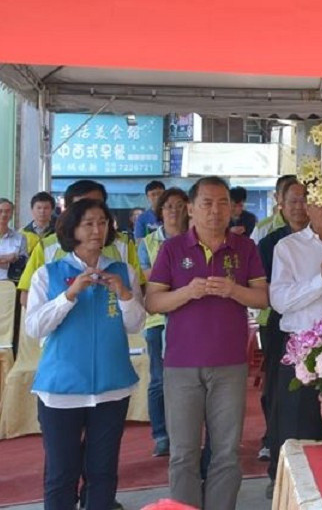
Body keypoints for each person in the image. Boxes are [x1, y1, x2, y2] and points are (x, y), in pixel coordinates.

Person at [145, 177, 268, 510]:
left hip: (230, 364)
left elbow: (263, 297)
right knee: (183, 452)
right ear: (191, 208)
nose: (216, 211)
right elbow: (152, 302)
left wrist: (233, 290)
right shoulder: (172, 248)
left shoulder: (245, 247)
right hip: (181, 365)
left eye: (223, 203)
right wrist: (187, 292)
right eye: (207, 203)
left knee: (226, 452)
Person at [27, 198, 145, 510]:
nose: (97, 230)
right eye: (88, 223)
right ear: (72, 229)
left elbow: (136, 324)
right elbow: (34, 327)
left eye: (102, 223)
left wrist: (124, 294)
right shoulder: (47, 273)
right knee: (61, 474)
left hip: (112, 387)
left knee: (103, 472)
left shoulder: (123, 272)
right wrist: (68, 296)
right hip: (60, 389)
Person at [266, 176, 322, 486]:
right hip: (303, 351)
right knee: (298, 432)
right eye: (320, 201)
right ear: (307, 206)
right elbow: (280, 301)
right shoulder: (288, 247)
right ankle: (295, 494)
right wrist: (320, 280)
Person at [19, 180, 143, 302]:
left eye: (96, 205)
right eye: (82, 207)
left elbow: (140, 290)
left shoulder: (124, 244)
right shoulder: (46, 246)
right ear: (68, 213)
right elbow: (27, 296)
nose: (91, 211)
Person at [255, 177, 307, 462]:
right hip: (278, 324)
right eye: (293, 201)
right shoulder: (271, 242)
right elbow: (265, 287)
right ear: (281, 206)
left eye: (304, 200)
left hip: (317, 328)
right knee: (277, 386)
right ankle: (273, 443)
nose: (299, 207)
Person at [137, 187, 189, 458]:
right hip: (157, 318)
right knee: (159, 379)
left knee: (188, 380)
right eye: (169, 206)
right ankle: (160, 434)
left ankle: (185, 434)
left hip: (190, 316)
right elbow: (151, 279)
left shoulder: (197, 238)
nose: (174, 211)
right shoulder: (147, 243)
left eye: (180, 205)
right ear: (160, 211)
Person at [0, 197, 26, 281]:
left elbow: (22, 264)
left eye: (7, 211)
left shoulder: (20, 238)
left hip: (10, 284)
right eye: (0, 211)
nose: (4, 214)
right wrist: (6, 258)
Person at [251, 175, 296, 243]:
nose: (293, 199)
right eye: (286, 194)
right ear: (276, 197)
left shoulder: (311, 226)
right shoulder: (262, 229)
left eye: (301, 196)